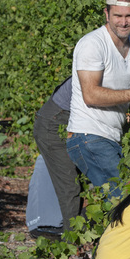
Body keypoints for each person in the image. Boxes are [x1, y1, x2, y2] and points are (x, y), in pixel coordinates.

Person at [66, 0, 130, 199]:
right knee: (126, 197)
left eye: (129, 16)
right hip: (88, 135)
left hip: (110, 137)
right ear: (106, 14)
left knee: (120, 200)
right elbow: (91, 95)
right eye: (117, 15)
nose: (123, 22)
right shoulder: (93, 44)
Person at [33, 77, 82, 234]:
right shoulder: (94, 65)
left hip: (68, 122)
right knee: (70, 184)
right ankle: (72, 239)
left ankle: (82, 231)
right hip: (54, 124)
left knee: (84, 179)